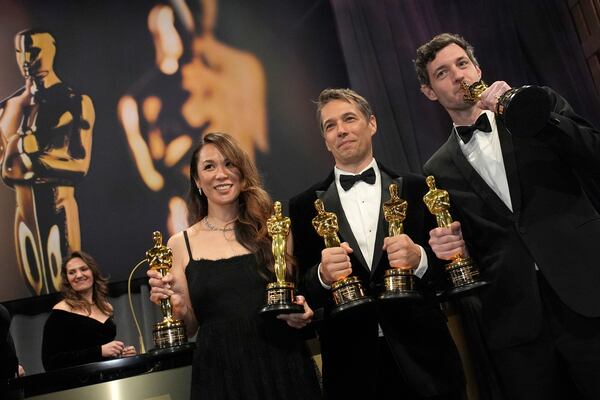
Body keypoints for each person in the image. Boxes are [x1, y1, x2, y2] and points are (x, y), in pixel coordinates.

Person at [415, 33, 600, 399]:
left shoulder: (539, 106)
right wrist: (451, 248)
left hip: (587, 292)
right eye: (441, 73)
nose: (457, 76)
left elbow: (593, 153)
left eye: (462, 64)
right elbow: (468, 246)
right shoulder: (435, 168)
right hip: (517, 324)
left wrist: (529, 113)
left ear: (478, 68)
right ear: (430, 92)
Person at [288, 88, 465, 399]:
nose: (341, 130)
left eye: (349, 119)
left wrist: (420, 258)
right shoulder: (302, 206)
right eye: (330, 126)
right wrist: (321, 276)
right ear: (325, 140)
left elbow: (452, 268)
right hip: (352, 369)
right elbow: (300, 291)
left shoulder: (417, 187)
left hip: (426, 359)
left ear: (372, 124)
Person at [147, 133, 321, 399]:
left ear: (242, 171)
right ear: (197, 181)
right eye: (209, 166)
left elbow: (294, 297)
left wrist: (303, 311)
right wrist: (178, 307)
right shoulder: (180, 244)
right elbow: (190, 327)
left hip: (283, 367)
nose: (222, 174)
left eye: (229, 164)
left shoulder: (274, 231)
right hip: (221, 375)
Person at [117, 0, 267, 235]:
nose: (175, 36)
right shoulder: (138, 101)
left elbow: (239, 145)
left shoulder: (206, 79)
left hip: (224, 199)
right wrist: (181, 154)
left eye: (178, 27)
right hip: (179, 199)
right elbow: (152, 174)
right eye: (166, 30)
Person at [0, 29, 94, 295]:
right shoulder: (7, 108)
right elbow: (6, 169)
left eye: (34, 50)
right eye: (20, 51)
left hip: (59, 208)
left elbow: (80, 164)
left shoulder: (74, 102)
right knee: (34, 289)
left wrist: (31, 162)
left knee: (67, 288)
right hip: (23, 215)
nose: (26, 59)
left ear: (51, 50)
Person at [41, 251, 136, 371]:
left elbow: (104, 353)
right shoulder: (60, 312)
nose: (79, 275)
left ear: (93, 272)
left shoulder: (106, 307)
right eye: (72, 272)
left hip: (108, 378)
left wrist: (121, 354)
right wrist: (99, 351)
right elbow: (50, 361)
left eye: (83, 269)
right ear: (67, 279)